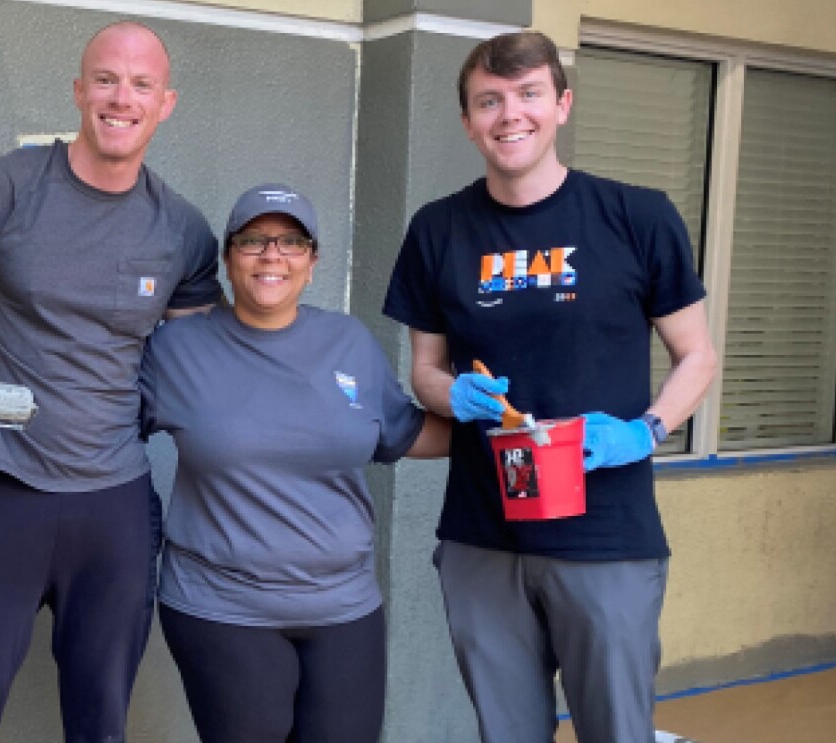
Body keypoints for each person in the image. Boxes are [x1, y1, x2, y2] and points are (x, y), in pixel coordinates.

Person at [382, 31, 718, 743]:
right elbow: (425, 369)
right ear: (468, 120)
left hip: (608, 537)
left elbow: (698, 356)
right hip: (483, 538)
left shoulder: (637, 217)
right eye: (489, 101)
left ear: (561, 103)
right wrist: (452, 396)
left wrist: (645, 431)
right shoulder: (439, 230)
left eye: (529, 94)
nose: (511, 114)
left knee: (617, 732)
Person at [0, 21, 222, 743]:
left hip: (114, 506)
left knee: (100, 725)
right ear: (79, 91)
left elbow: (200, 362)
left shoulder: (182, 232)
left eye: (141, 84)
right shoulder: (0, 188)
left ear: (165, 103)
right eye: (106, 79)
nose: (121, 97)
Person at [138, 184, 451, 743]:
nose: (272, 255)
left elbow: (403, 432)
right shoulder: (177, 350)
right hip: (223, 606)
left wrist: (510, 428)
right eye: (253, 240)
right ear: (228, 260)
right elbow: (100, 428)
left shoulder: (348, 342)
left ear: (312, 261)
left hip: (345, 607)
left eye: (290, 241)